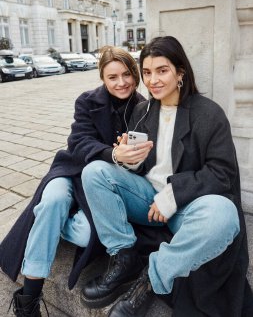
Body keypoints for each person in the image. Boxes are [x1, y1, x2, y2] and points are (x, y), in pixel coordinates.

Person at [81, 36, 253, 317]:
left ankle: (150, 280)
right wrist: (129, 159)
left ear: (180, 73)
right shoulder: (142, 110)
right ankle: (124, 257)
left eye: (162, 71)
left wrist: (172, 196)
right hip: (146, 199)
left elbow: (222, 173)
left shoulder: (209, 114)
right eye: (147, 73)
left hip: (187, 206)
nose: (152, 81)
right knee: (95, 172)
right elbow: (142, 167)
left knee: (224, 215)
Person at [0, 46, 149, 317]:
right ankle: (28, 300)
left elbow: (141, 164)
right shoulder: (87, 101)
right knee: (53, 201)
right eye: (112, 77)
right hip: (72, 170)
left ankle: (51, 222)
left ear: (135, 74)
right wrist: (112, 153)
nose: (121, 82)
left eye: (126, 74)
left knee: (83, 233)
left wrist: (131, 159)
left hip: (101, 186)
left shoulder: (144, 108)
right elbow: (79, 142)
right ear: (103, 78)